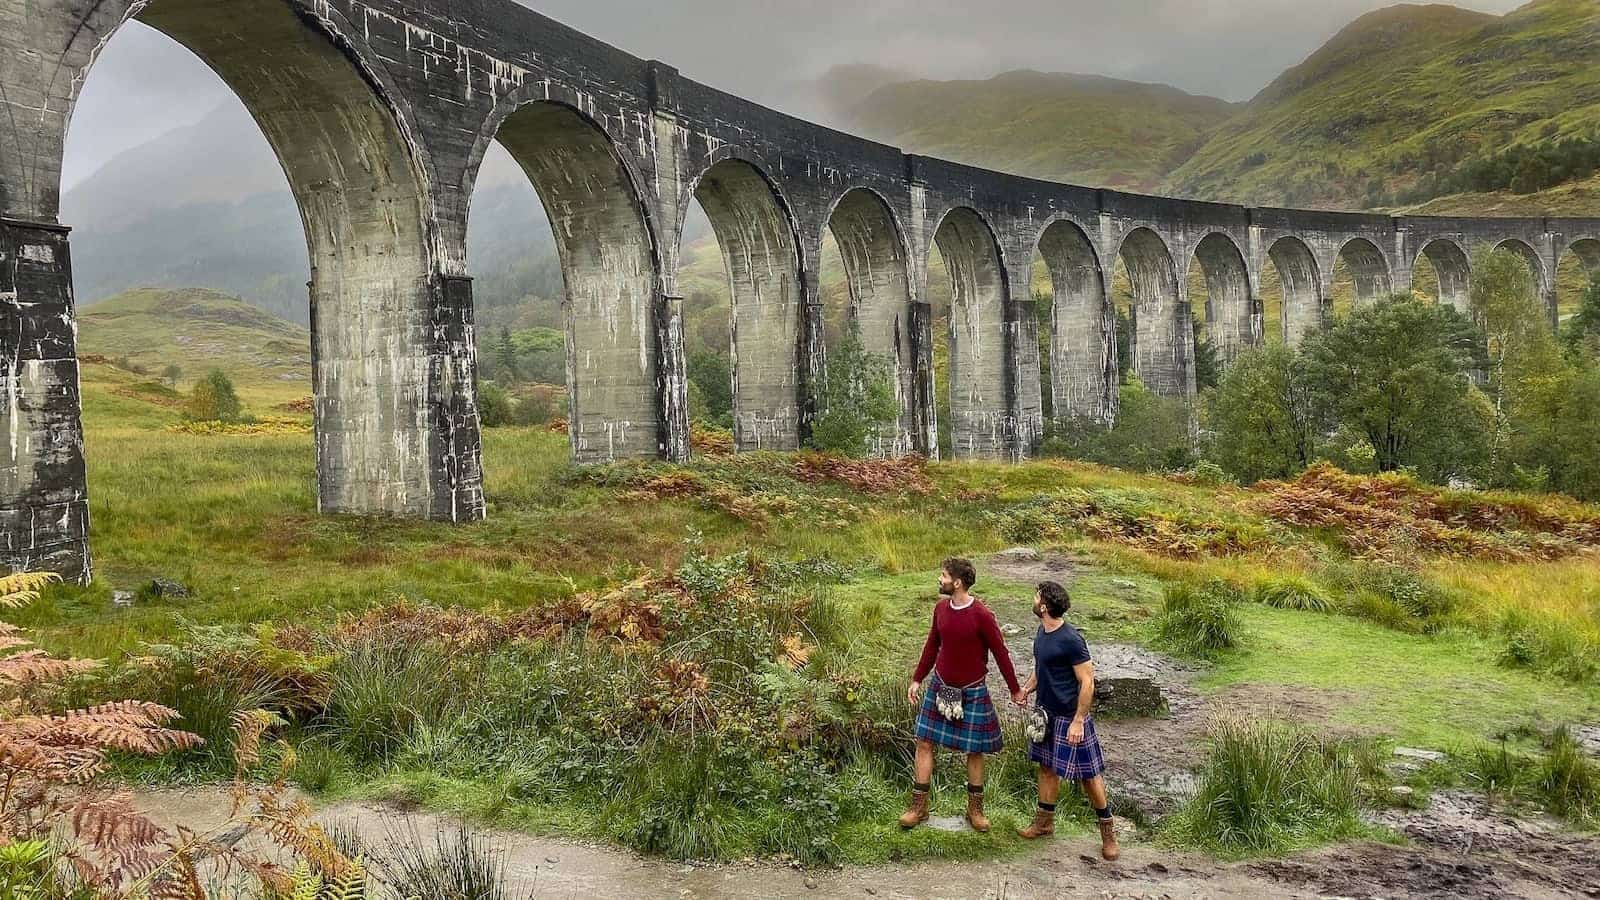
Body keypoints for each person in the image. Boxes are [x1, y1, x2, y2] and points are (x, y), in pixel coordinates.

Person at [900, 558, 1024, 833]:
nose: (939, 579)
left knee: (975, 750)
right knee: (924, 742)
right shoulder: (941, 609)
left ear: (957, 582)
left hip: (972, 690)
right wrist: (917, 679)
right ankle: (918, 808)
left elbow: (1001, 653)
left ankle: (975, 810)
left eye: (943, 575)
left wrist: (1015, 689)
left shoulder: (982, 614)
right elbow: (932, 644)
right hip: (940, 685)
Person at [1017, 580, 1119, 861]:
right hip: (1046, 715)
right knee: (1047, 768)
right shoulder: (1042, 632)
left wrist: (1078, 721)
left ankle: (1108, 832)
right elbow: (1041, 669)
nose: (1033, 600)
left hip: (1069, 717)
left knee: (1089, 776)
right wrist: (1026, 689)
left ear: (1045, 606)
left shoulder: (1071, 639)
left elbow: (1087, 682)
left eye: (1036, 596)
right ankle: (1044, 823)